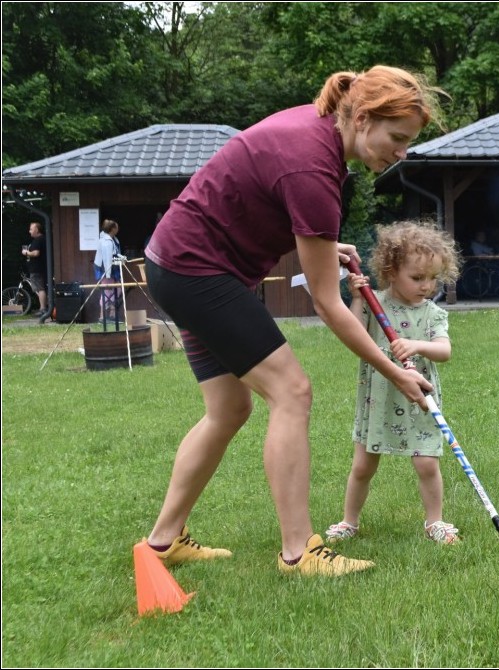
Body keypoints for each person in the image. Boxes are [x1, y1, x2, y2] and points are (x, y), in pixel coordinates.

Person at [142, 65, 444, 577]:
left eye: (408, 143)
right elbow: (327, 304)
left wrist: (327, 246)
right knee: (292, 391)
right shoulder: (313, 168)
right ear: (364, 118)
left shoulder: (318, 132)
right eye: (397, 138)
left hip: (178, 264)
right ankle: (299, 551)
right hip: (196, 270)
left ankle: (164, 541)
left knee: (229, 408)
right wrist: (394, 372)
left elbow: (268, 208)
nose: (401, 154)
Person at [326, 220, 462, 545]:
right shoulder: (375, 304)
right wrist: (357, 298)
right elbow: (354, 331)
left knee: (427, 463)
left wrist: (417, 345)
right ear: (391, 271)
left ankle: (435, 522)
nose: (426, 286)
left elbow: (444, 351)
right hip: (379, 398)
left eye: (432, 278)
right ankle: (349, 522)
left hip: (418, 399)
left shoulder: (431, 313)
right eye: (417, 278)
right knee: (363, 466)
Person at [94, 219, 123, 321]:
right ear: (112, 229)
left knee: (117, 289)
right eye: (116, 227)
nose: (118, 229)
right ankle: (102, 316)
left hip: (113, 269)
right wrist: (108, 274)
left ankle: (112, 314)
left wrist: (121, 258)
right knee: (107, 292)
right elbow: (107, 259)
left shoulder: (113, 239)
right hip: (106, 269)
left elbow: (115, 253)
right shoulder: (106, 241)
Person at [21, 221, 48, 316]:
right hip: (40, 268)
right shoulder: (43, 239)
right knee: (40, 288)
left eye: (31, 229)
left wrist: (26, 252)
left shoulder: (38, 240)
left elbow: (36, 253)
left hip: (37, 269)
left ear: (36, 229)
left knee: (40, 289)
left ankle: (43, 309)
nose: (29, 231)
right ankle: (45, 307)